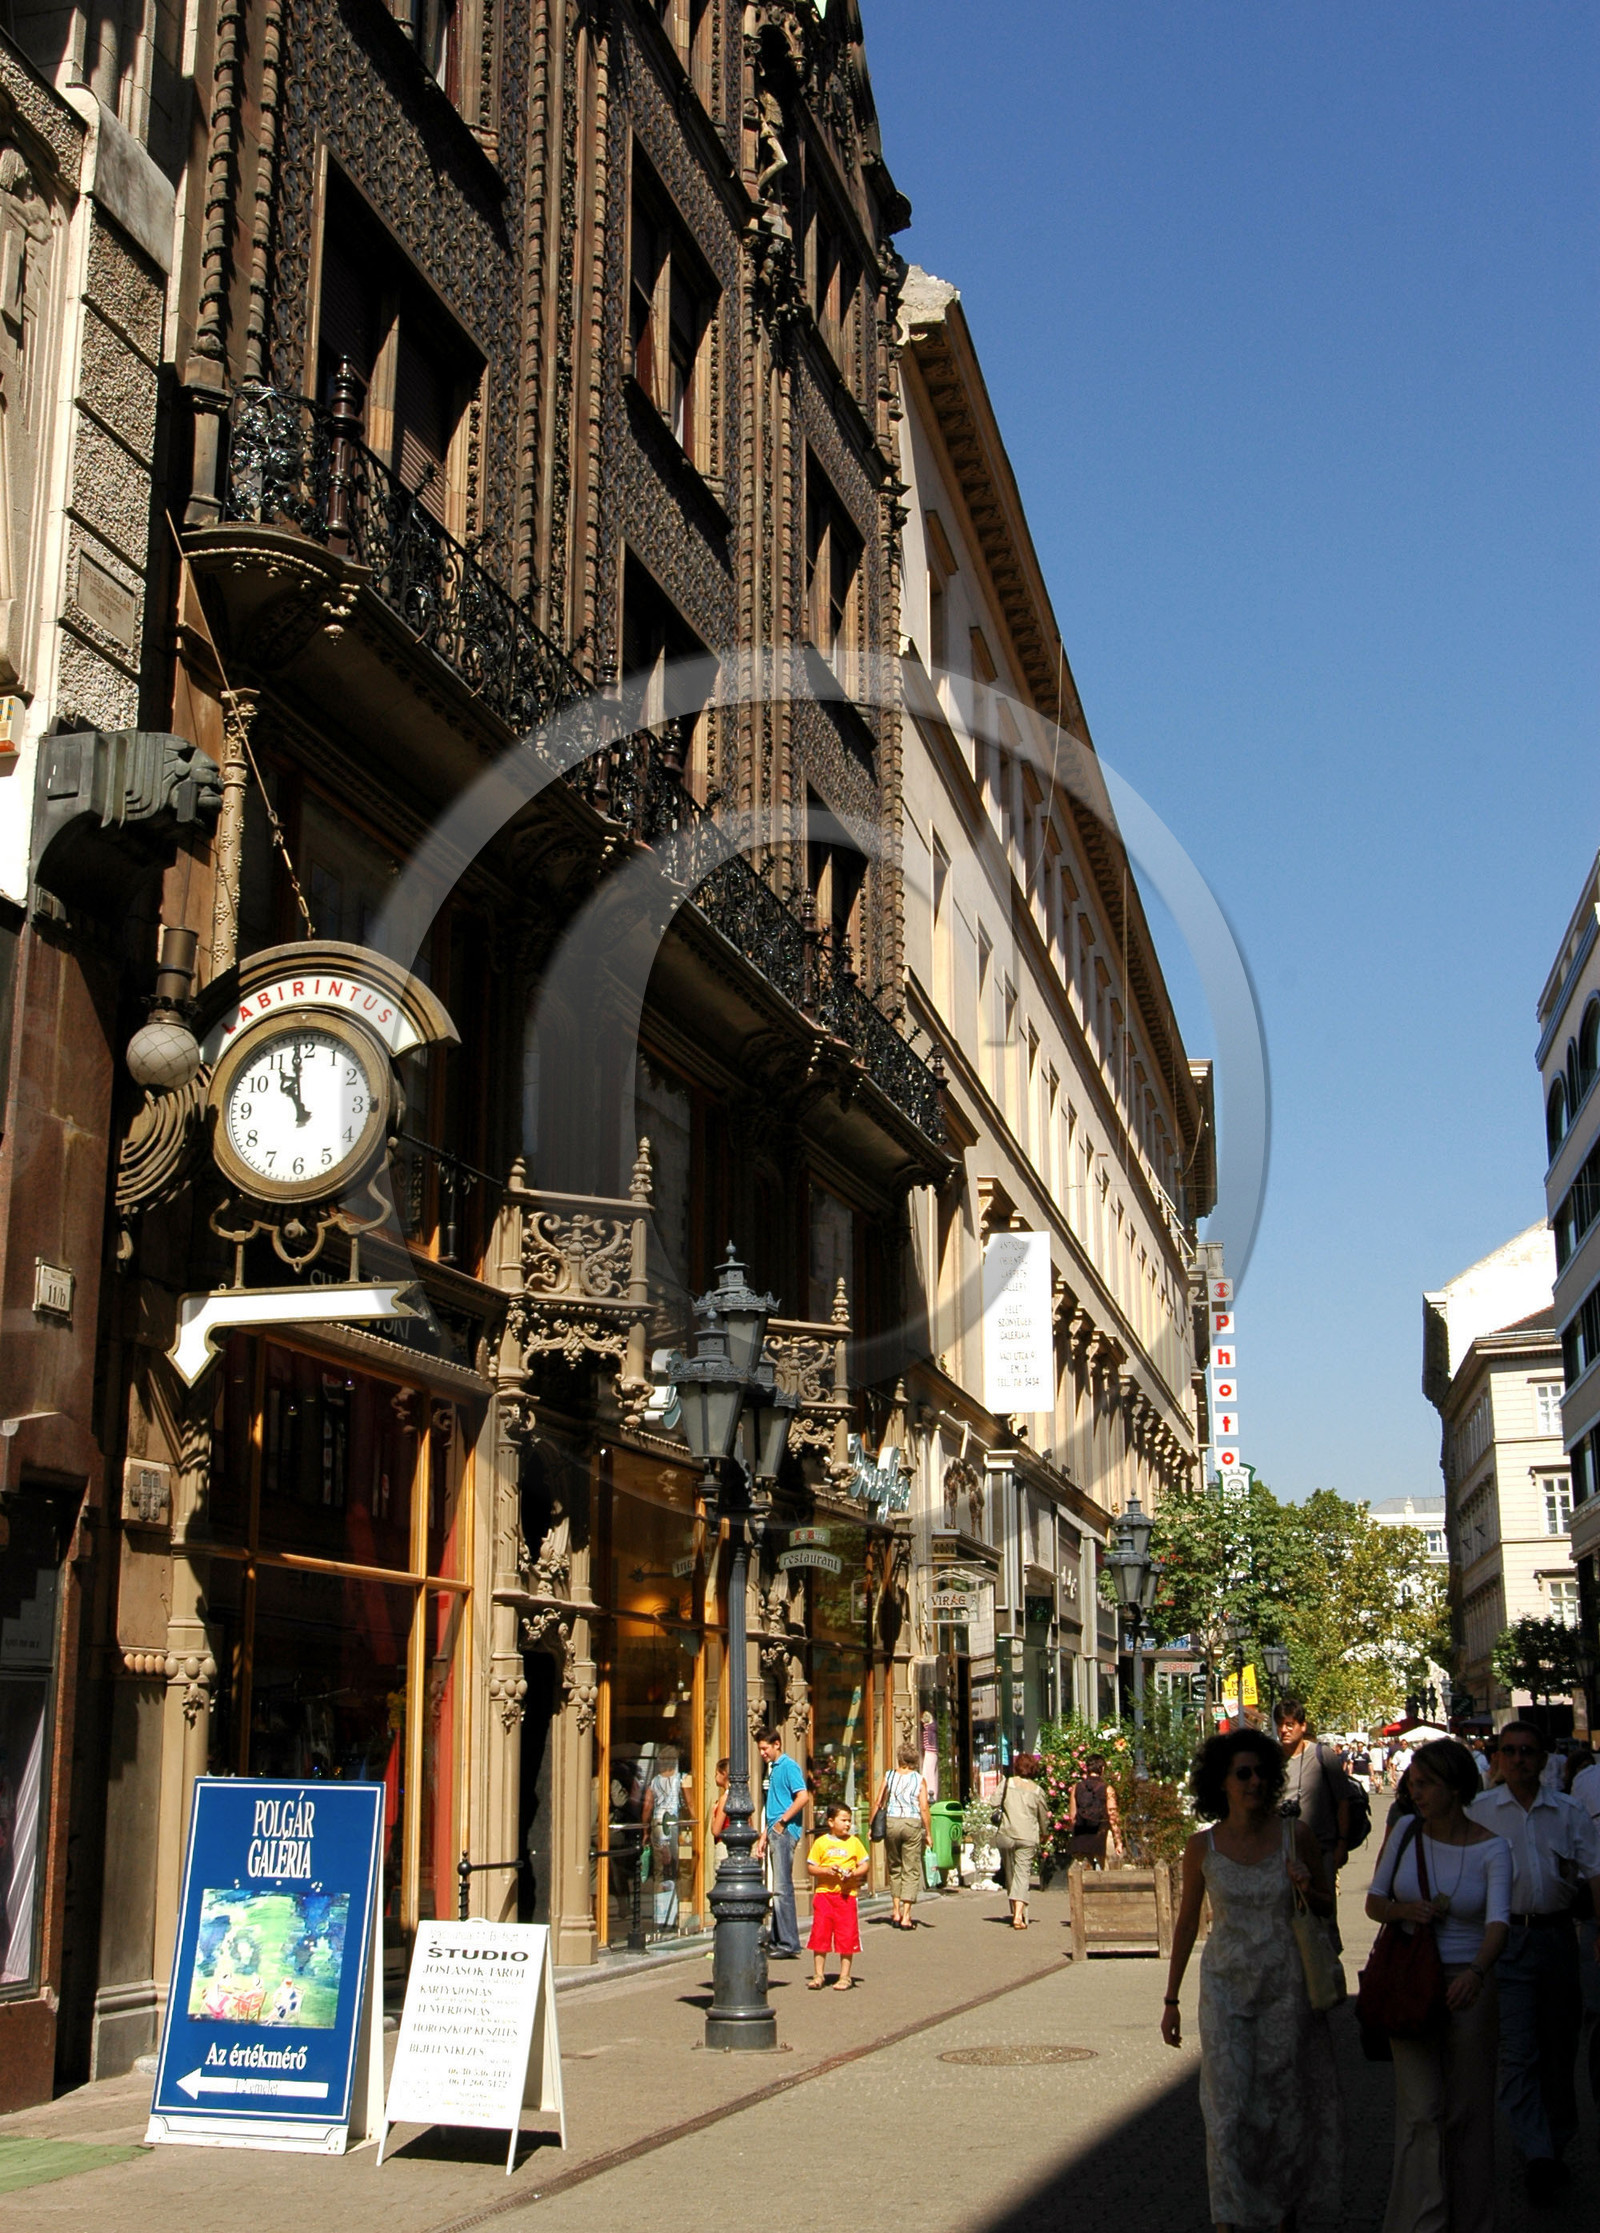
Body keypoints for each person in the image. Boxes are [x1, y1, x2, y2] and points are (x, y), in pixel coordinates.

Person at [1161, 1726, 1343, 2233]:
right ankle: (1232, 2219)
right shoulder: (1203, 1846)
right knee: (1228, 2111)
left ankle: (1284, 2213)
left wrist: (1308, 1886)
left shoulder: (1294, 1836)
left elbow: (1327, 1908)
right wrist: (1171, 1999)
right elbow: (1185, 1921)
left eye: (1262, 1772)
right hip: (1225, 1990)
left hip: (1288, 1987)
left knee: (1285, 2109)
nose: (1255, 1782)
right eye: (1244, 1773)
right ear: (1221, 1781)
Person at [1365, 1737, 1510, 2233]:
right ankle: (1419, 2222)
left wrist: (1476, 1972)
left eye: (1426, 1784)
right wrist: (1404, 1910)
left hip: (1468, 1985)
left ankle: (1473, 2221)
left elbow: (1498, 1924)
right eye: (1413, 1782)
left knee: (1468, 2114)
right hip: (1409, 1981)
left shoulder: (1493, 1848)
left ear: (1455, 1789)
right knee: (1422, 2110)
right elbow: (1375, 1901)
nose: (1415, 1791)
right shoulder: (1406, 1831)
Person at [1467, 1719, 1600, 2204]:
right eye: (1510, 1751)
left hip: (1558, 1938)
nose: (1519, 1759)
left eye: (1528, 1751)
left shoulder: (1567, 1812)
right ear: (1498, 1758)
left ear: (1544, 1759)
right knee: (1519, 2052)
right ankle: (1537, 2152)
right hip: (1506, 1942)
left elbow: (1594, 1872)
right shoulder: (1480, 1813)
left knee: (1560, 2050)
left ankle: (1556, 2141)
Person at [1275, 1697, 1355, 1949]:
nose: (1284, 1730)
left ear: (1302, 1726)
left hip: (1320, 1849)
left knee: (1323, 1912)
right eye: (1280, 1724)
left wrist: (1341, 1844)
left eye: (1290, 1724)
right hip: (1282, 1851)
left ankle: (1328, 1967)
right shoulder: (1272, 1760)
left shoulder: (1323, 1756)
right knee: (1286, 1914)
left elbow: (1343, 1801)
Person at [753, 1730, 809, 1961]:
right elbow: (775, 1804)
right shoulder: (773, 1768)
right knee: (777, 1887)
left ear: (777, 1744)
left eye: (765, 1748)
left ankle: (788, 1942)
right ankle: (778, 1938)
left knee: (782, 1887)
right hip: (776, 1831)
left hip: (785, 1832)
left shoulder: (788, 1766)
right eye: (760, 1750)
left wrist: (782, 1823)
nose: (763, 1753)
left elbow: (803, 1796)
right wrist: (765, 1833)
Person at [806, 1801, 868, 1990]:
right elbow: (811, 1867)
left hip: (846, 1895)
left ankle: (845, 1976)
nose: (847, 1824)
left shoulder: (854, 1842)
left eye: (849, 1821)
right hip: (824, 1895)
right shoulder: (821, 1843)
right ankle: (818, 1974)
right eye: (843, 1820)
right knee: (820, 1934)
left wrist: (854, 1873)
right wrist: (826, 1870)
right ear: (831, 1821)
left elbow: (864, 1863)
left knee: (846, 1935)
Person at [873, 1743, 931, 1929]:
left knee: (895, 1866)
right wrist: (928, 1833)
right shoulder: (919, 1779)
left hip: (891, 1822)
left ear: (899, 1758)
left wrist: (872, 1825)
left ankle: (895, 1910)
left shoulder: (889, 1776)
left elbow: (879, 1801)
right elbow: (923, 1807)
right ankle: (907, 1915)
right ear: (914, 1760)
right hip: (911, 1822)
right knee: (911, 1868)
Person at [996, 1752, 1053, 1929]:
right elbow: (1043, 1817)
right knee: (1022, 1874)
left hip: (1006, 1833)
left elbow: (993, 1802)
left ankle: (1015, 1910)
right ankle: (1018, 1916)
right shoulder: (1037, 1791)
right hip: (1027, 1836)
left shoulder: (1007, 1783)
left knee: (1010, 1874)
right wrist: (1044, 1833)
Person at [640, 1746, 686, 1929]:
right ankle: (675, 1913)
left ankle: (661, 1915)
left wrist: (645, 1830)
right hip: (675, 1825)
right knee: (676, 1870)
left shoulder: (654, 1782)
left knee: (660, 1872)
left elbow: (647, 1807)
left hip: (658, 1825)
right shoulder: (680, 1779)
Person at [1066, 1753, 1121, 1868]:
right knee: (1107, 1874)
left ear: (1087, 1769)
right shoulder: (1107, 1789)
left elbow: (1072, 1817)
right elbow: (1113, 1817)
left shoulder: (1076, 1787)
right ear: (1102, 1769)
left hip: (1081, 1835)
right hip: (1102, 1835)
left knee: (1081, 1876)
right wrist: (1118, 1841)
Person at [706, 1756, 730, 1879]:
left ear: (724, 1774)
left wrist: (713, 1812)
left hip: (723, 1846)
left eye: (717, 1774)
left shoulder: (724, 1799)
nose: (715, 1777)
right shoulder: (741, 1795)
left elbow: (716, 1831)